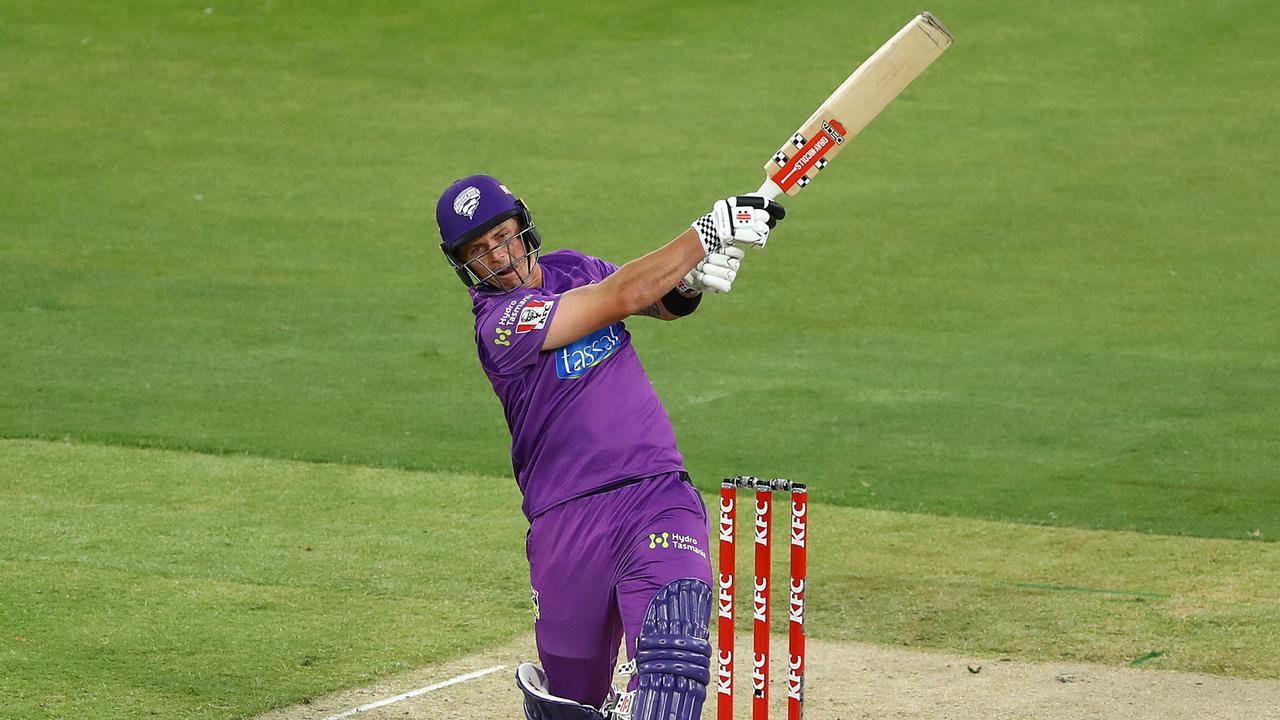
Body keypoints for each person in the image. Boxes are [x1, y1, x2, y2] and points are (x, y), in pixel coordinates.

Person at [435, 175, 784, 720]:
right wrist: (706, 234)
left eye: (503, 236)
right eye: (478, 252)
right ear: (463, 266)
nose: (499, 257)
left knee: (674, 662)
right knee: (575, 700)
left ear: (523, 225)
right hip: (566, 520)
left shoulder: (574, 268)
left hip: (655, 492)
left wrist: (688, 282)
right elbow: (621, 294)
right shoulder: (498, 326)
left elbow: (653, 302)